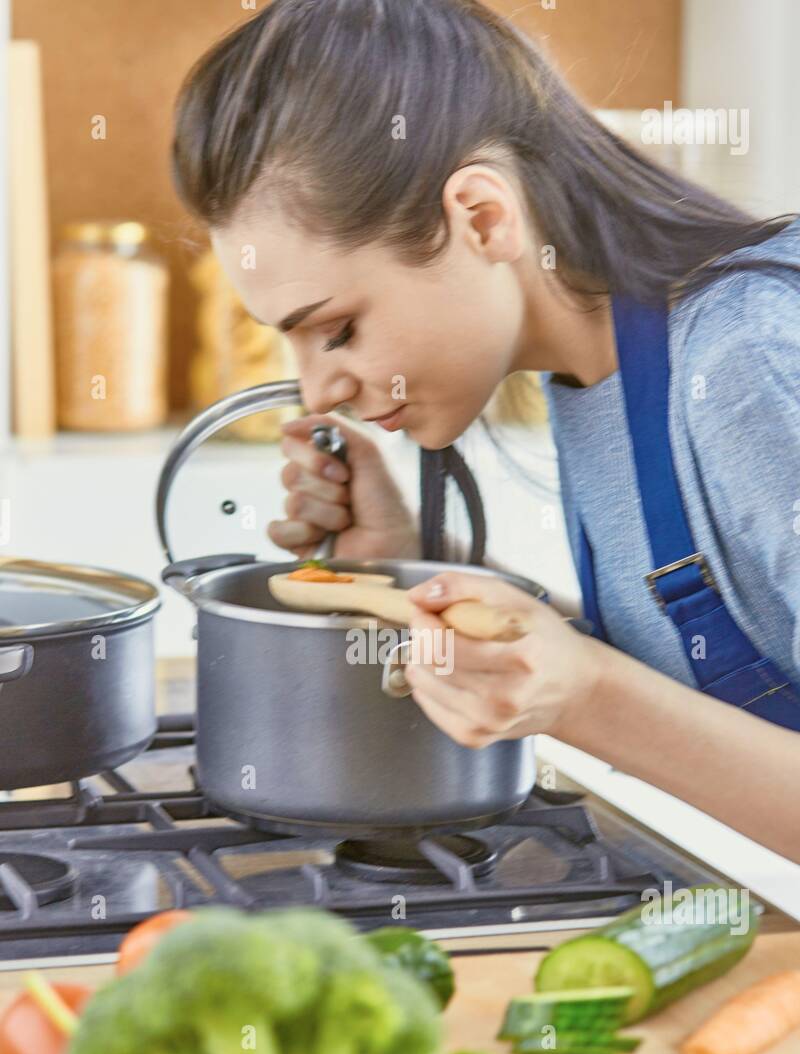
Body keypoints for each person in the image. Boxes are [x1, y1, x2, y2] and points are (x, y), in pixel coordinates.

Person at [172, 0, 800, 863]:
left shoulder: (747, 361)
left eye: (340, 329)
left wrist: (585, 700)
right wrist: (420, 561)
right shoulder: (595, 375)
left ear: (482, 219)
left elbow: (620, 694)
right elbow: (702, 663)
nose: (320, 391)